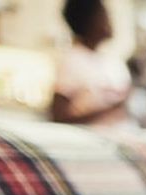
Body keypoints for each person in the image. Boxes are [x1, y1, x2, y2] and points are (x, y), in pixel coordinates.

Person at [51, 0, 135, 129]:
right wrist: (112, 108)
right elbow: (59, 117)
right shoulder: (72, 61)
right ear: (88, 20)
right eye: (103, 14)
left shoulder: (112, 61)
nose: (109, 19)